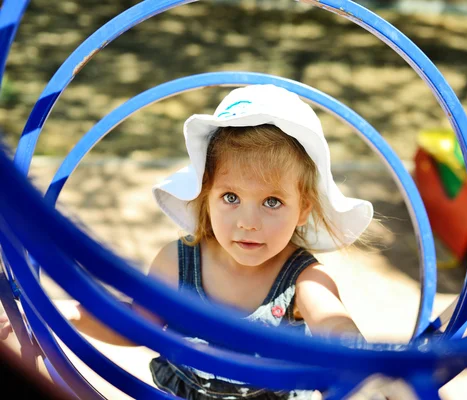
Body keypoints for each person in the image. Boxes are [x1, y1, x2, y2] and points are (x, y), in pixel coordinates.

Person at [1, 84, 374, 399]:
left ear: (303, 209)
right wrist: (65, 313)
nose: (248, 222)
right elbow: (136, 323)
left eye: (272, 202)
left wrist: (367, 367)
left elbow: (333, 324)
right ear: (205, 195)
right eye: (230, 198)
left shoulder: (304, 279)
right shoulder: (177, 261)